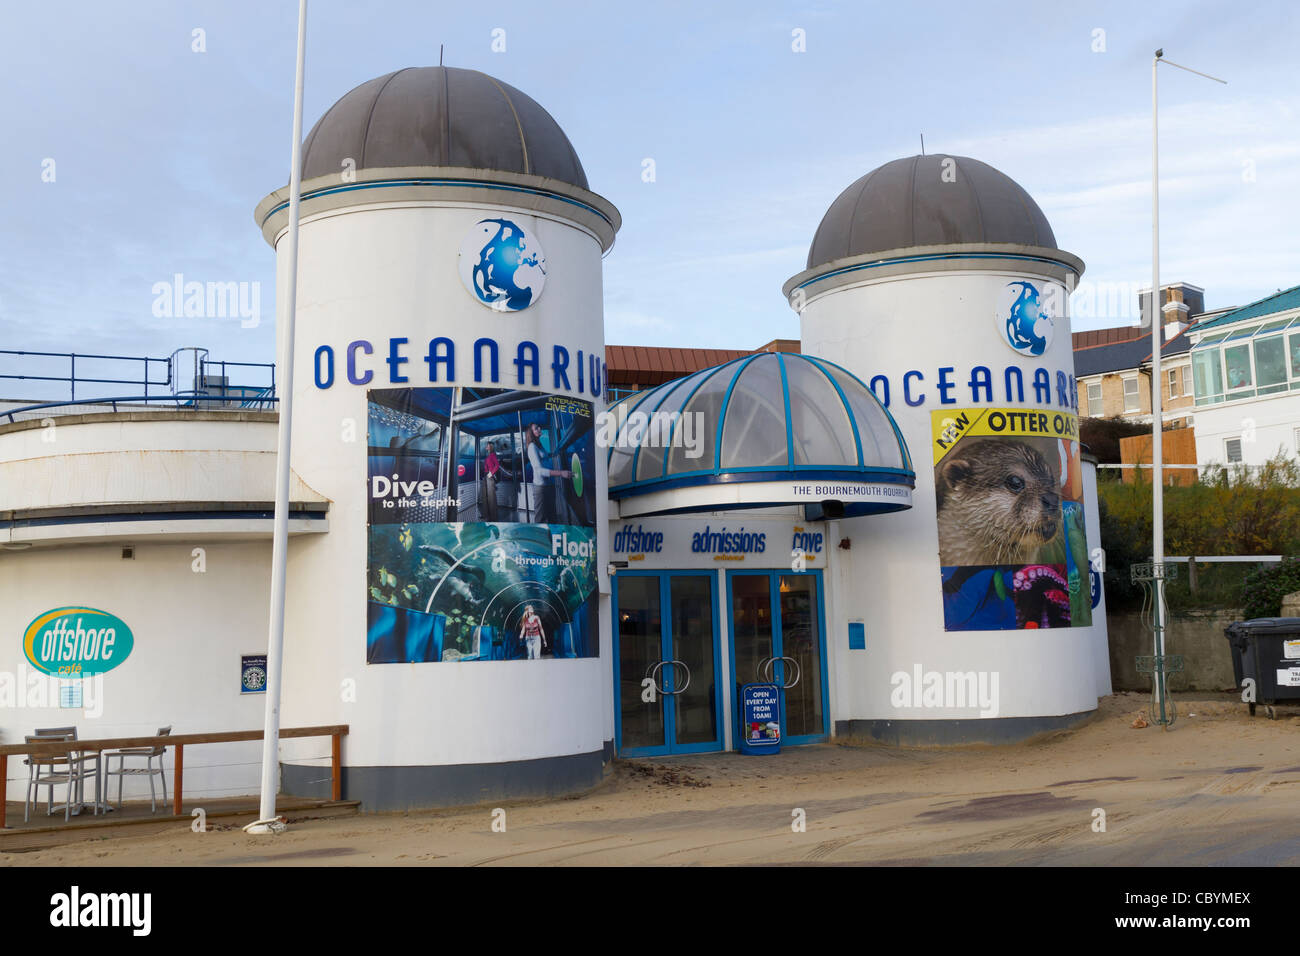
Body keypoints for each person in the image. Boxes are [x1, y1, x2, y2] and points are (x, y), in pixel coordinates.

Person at [523, 422, 569, 524]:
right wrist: (561, 473)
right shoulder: (532, 447)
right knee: (541, 519)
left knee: (552, 515)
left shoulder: (539, 445)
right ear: (531, 433)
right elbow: (539, 471)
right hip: (541, 488)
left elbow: (544, 461)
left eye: (538, 427)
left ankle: (552, 538)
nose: (539, 428)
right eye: (536, 428)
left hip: (548, 486)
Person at [481, 440, 511, 522]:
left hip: (490, 477)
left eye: (487, 445)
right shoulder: (488, 456)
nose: (486, 447)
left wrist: (491, 473)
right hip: (485, 476)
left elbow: (497, 466)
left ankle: (493, 517)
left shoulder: (493, 455)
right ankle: (485, 515)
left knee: (491, 497)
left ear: (490, 447)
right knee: (485, 496)